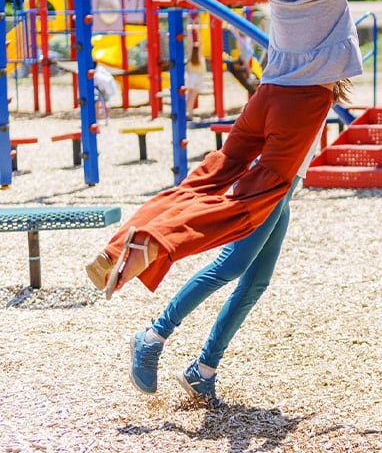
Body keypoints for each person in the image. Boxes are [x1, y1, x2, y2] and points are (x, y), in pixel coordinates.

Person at [84, 0, 361, 299]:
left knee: (209, 175)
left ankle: (118, 247)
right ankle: (153, 246)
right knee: (250, 200)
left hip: (267, 95)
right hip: (301, 103)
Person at [127, 137, 319, 406]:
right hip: (268, 180)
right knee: (230, 266)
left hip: (285, 187)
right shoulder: (302, 92)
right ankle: (152, 337)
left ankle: (203, 371)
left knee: (256, 283)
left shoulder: (323, 96)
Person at [184, 36, 207, 117]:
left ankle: (187, 112)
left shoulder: (191, 56)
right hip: (198, 77)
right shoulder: (199, 56)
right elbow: (201, 44)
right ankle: (189, 113)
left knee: (189, 96)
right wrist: (197, 31)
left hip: (191, 77)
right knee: (192, 97)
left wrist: (190, 31)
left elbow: (189, 43)